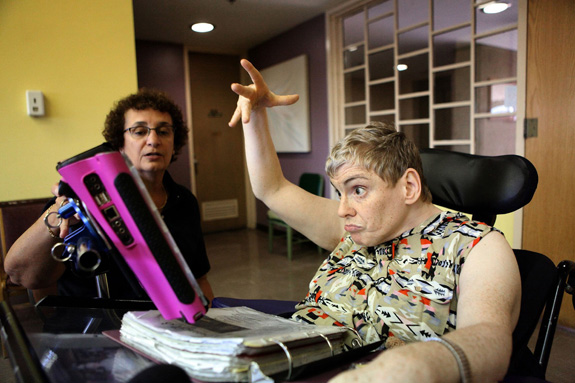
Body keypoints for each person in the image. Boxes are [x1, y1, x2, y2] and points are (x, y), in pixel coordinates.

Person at [228, 59, 521, 383]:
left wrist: (410, 367)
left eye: (358, 189)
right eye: (340, 192)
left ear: (408, 186)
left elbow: (490, 340)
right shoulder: (352, 229)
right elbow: (272, 188)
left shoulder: (477, 246)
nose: (342, 210)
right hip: (290, 360)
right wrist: (254, 114)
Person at [5, 89, 214, 303]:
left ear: (174, 141)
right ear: (119, 144)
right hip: (95, 328)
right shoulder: (84, 197)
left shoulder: (185, 201)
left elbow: (199, 279)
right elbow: (19, 275)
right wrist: (60, 212)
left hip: (168, 323)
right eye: (139, 131)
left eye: (163, 131)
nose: (153, 140)